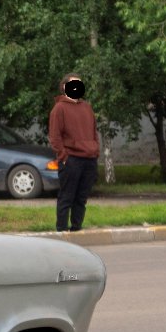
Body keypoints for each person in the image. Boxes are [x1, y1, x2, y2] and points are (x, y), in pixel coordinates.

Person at [48, 73, 99, 232]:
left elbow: (93, 132)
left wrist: (95, 149)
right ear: (65, 87)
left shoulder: (87, 107)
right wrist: (64, 156)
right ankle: (61, 230)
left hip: (89, 159)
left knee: (81, 198)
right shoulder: (59, 108)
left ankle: (77, 229)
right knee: (67, 197)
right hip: (71, 160)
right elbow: (55, 136)